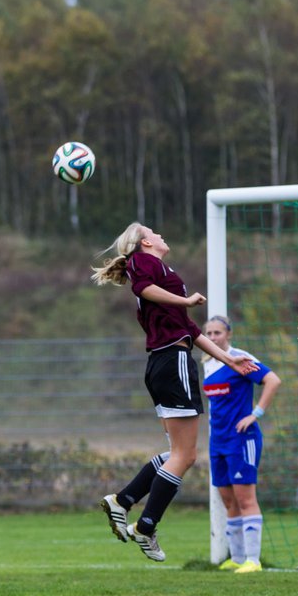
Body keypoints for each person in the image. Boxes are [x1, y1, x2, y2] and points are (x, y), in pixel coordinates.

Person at [92, 223, 257, 562]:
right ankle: (145, 526)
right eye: (155, 232)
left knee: (177, 453)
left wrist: (229, 360)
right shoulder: (143, 260)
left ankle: (122, 501)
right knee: (186, 456)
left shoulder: (162, 272)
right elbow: (144, 287)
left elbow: (191, 330)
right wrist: (185, 298)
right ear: (145, 242)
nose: (162, 235)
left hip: (165, 362)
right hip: (172, 361)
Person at [201, 315, 282, 573]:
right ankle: (236, 558)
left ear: (229, 334)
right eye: (209, 334)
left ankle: (253, 560)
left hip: (241, 438)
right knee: (228, 500)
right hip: (218, 440)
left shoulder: (240, 357)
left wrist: (255, 414)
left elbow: (273, 380)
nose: (213, 338)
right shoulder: (208, 363)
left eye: (218, 333)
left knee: (246, 498)